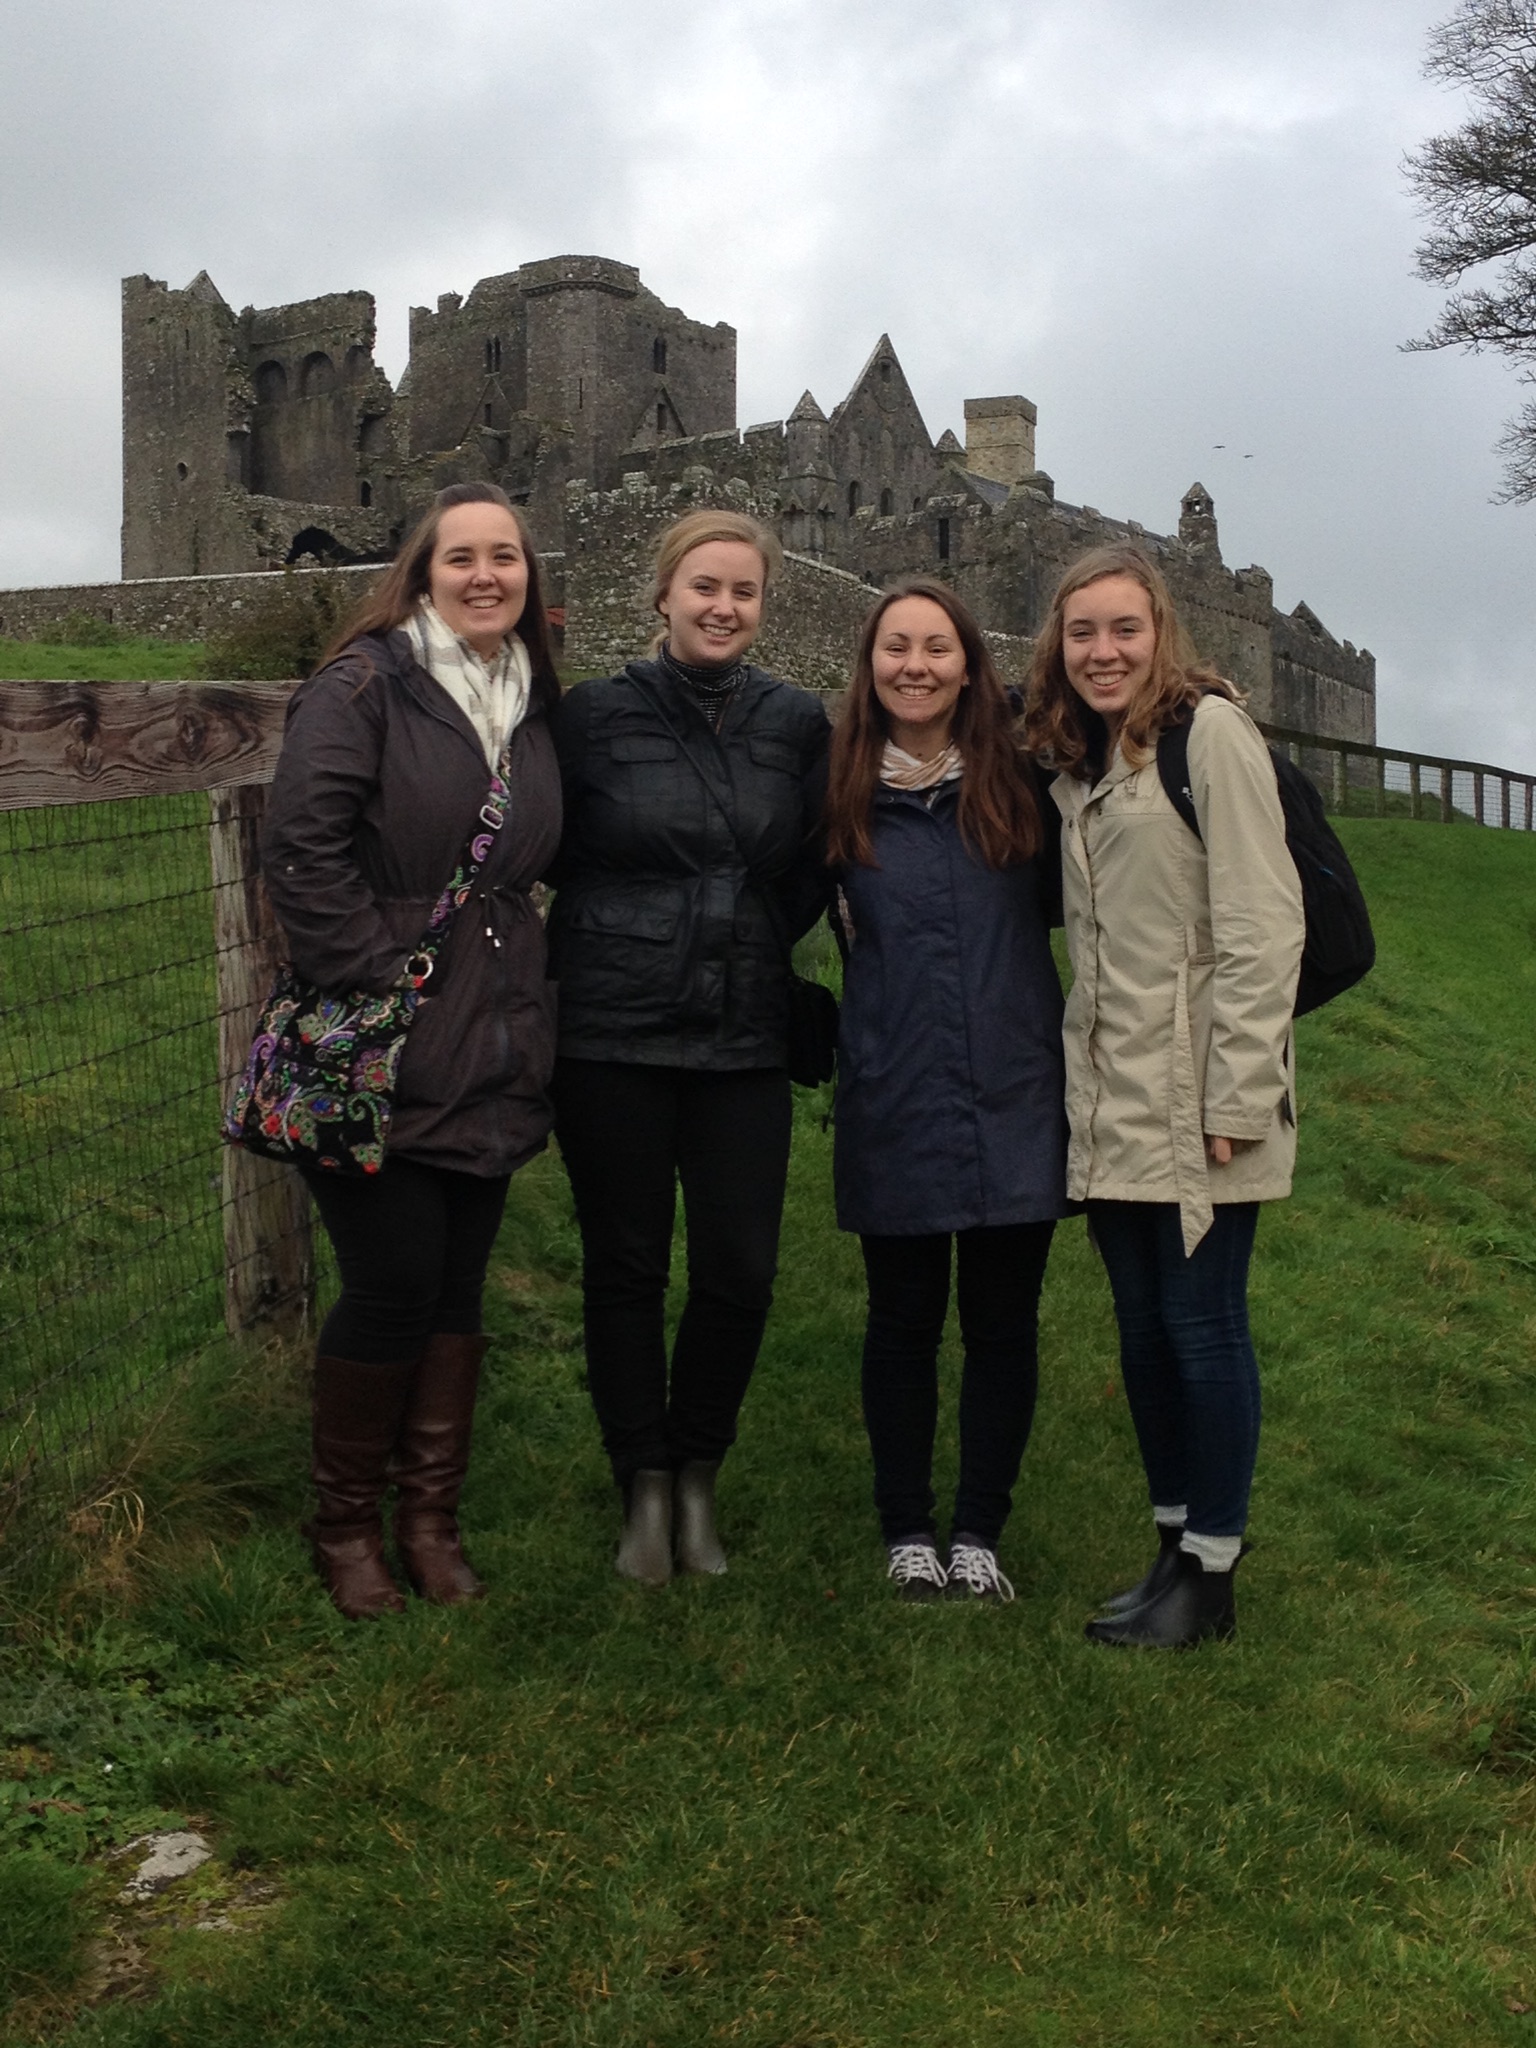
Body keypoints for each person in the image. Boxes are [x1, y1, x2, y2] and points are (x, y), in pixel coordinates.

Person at [261, 482, 562, 1621]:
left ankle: (429, 1518)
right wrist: (381, 980)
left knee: (455, 1284)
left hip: (494, 1035)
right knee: (390, 1283)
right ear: (422, 572)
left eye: (507, 557)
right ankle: (344, 1525)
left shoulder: (532, 700)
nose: (486, 576)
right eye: (462, 558)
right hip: (381, 1039)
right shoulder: (365, 685)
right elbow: (303, 847)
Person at [1025, 544, 1304, 1647]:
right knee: (1143, 1332)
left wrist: (1237, 1095)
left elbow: (1262, 923)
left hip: (1201, 1096)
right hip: (1113, 1092)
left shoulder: (1213, 735)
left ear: (1162, 634)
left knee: (1203, 1328)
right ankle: (1173, 1546)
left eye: (1123, 629)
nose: (1103, 651)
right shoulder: (1084, 758)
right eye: (1082, 632)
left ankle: (1215, 1573)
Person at [547, 509, 830, 1585]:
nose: (723, 607)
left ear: (764, 604)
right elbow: (556, 848)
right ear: (662, 594)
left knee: (739, 1269)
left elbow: (813, 858)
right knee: (623, 1266)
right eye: (704, 586)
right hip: (611, 1030)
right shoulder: (595, 717)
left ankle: (698, 1465)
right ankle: (644, 1485)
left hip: (742, 1030)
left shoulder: (798, 723)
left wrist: (749, 940)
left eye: (743, 592)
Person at [825, 579, 1069, 1602]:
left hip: (1016, 1086)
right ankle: (907, 1528)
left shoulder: (1025, 785)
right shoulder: (837, 794)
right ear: (870, 665)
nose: (915, 665)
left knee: (1004, 1325)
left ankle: (979, 1529)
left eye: (936, 647)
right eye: (896, 648)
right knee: (904, 1322)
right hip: (898, 1085)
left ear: (972, 664)